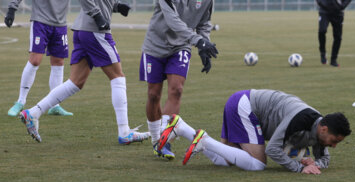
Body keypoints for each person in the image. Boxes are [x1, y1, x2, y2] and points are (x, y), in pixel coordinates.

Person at [19, 0, 150, 144]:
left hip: (83, 30)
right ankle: (124, 132)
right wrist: (98, 16)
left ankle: (33, 113)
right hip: (95, 30)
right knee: (118, 77)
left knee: (75, 83)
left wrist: (116, 6)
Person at [157, 89, 351, 175]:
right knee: (258, 164)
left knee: (225, 161)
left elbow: (324, 160)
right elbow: (273, 149)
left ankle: (181, 127)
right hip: (245, 106)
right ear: (324, 129)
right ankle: (204, 141)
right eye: (334, 140)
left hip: (242, 103)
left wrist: (314, 162)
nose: (333, 146)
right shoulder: (299, 119)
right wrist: (300, 168)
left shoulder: (320, 130)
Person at [139, 0, 219, 160]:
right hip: (155, 45)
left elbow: (203, 22)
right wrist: (198, 41)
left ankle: (165, 140)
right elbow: (173, 20)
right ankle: (156, 140)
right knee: (153, 94)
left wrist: (204, 44)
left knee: (176, 90)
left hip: (181, 46)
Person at [5, 0, 73, 117]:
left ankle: (55, 105)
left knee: (58, 62)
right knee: (35, 60)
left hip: (60, 23)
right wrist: (12, 9)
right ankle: (20, 101)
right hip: (40, 21)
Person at [316, 0, 352, 67]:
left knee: (338, 37)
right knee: (322, 31)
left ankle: (333, 60)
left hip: (338, 13)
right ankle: (323, 53)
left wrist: (341, 6)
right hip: (324, 11)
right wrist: (321, 3)